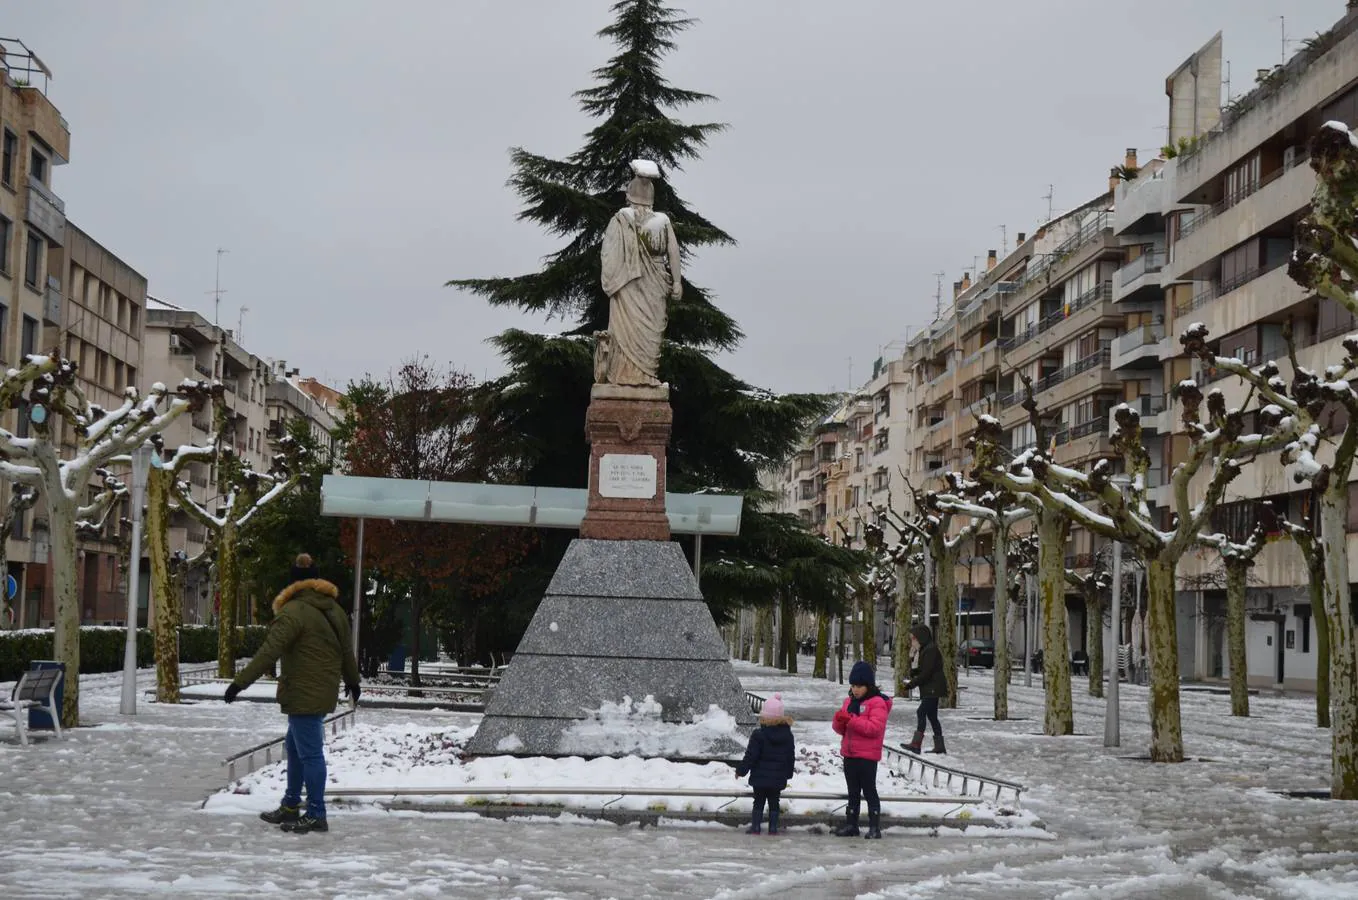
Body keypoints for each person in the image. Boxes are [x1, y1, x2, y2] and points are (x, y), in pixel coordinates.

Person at [224, 553, 361, 834]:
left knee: (309, 754)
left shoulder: (293, 612)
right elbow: (347, 649)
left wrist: (239, 683)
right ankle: (290, 805)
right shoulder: (333, 608)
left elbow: (269, 651)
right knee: (296, 748)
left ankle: (316, 813)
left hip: (303, 692)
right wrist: (352, 680)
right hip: (322, 689)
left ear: (292, 583)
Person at [596, 158, 682, 387]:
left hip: (642, 283)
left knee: (648, 334)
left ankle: (645, 376)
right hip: (630, 284)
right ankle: (626, 376)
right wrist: (677, 282)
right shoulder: (626, 218)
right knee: (631, 331)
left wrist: (677, 282)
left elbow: (673, 250)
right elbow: (673, 252)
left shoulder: (629, 219)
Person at [831, 661, 892, 839]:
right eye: (853, 685)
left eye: (859, 686)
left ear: (868, 685)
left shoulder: (877, 703)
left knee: (869, 790)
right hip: (850, 754)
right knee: (853, 792)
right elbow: (841, 729)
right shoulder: (848, 702)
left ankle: (874, 827)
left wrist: (851, 720)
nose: (856, 689)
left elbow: (874, 728)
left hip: (867, 756)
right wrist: (839, 721)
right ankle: (852, 824)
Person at [735, 692, 796, 835]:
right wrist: (787, 774)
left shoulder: (759, 735)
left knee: (758, 802)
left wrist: (741, 771)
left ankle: (756, 827)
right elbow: (790, 756)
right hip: (778, 778)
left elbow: (750, 756)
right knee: (774, 802)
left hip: (760, 777)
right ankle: (773, 828)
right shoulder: (787, 736)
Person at [904, 625, 948, 755]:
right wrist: (914, 670)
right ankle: (939, 746)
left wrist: (911, 684)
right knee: (932, 716)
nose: (912, 642)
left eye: (913, 639)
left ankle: (916, 744)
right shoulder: (925, 649)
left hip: (933, 688)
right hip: (931, 687)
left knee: (921, 712)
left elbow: (927, 673)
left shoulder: (930, 650)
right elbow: (925, 669)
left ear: (920, 638)